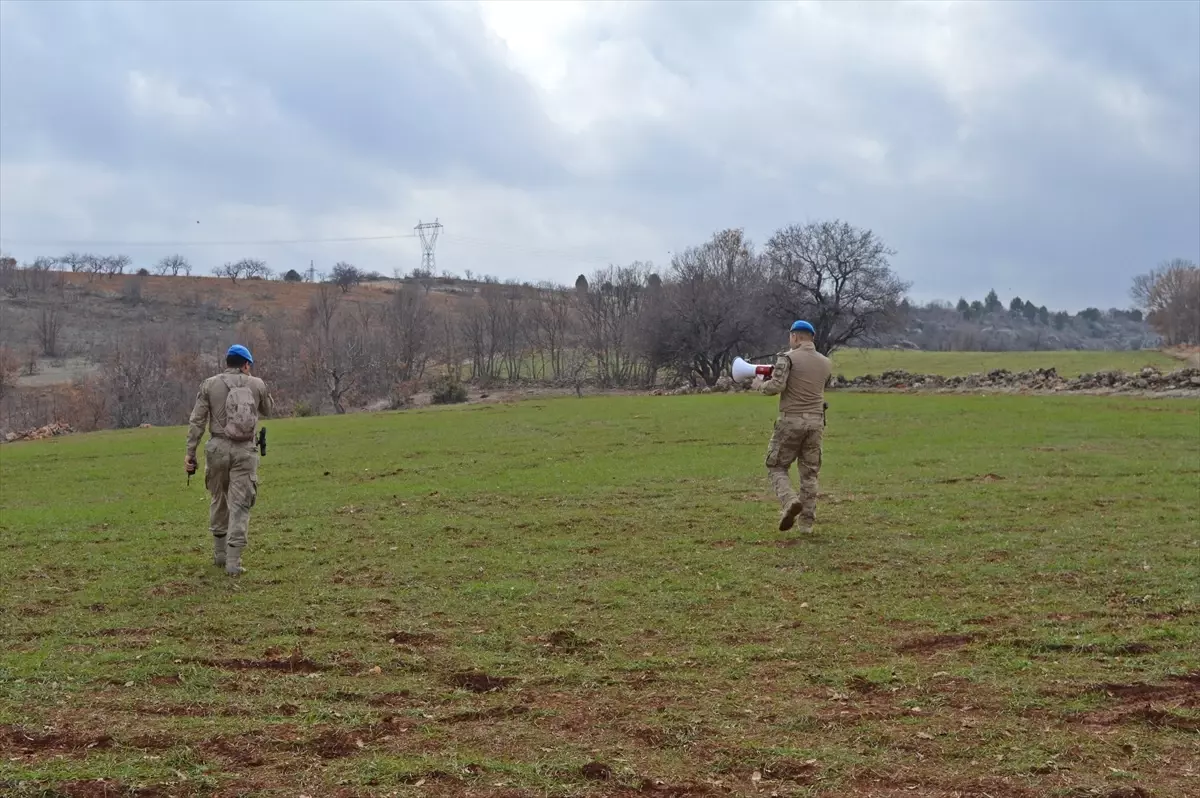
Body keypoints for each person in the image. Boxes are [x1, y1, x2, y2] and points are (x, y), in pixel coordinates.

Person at [185, 344, 273, 575]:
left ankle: (219, 554)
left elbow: (197, 422)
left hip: (217, 448)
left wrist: (190, 454)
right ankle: (234, 563)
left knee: (218, 498)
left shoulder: (209, 384)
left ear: (227, 362)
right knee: (241, 504)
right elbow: (269, 410)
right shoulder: (257, 384)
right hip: (245, 450)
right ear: (246, 364)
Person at [756, 320, 832, 533]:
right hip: (816, 422)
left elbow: (777, 386)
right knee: (809, 474)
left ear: (795, 337)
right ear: (812, 338)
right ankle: (806, 524)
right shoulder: (826, 362)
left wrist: (760, 385)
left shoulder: (787, 358)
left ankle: (790, 501)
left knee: (776, 466)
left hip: (791, 421)